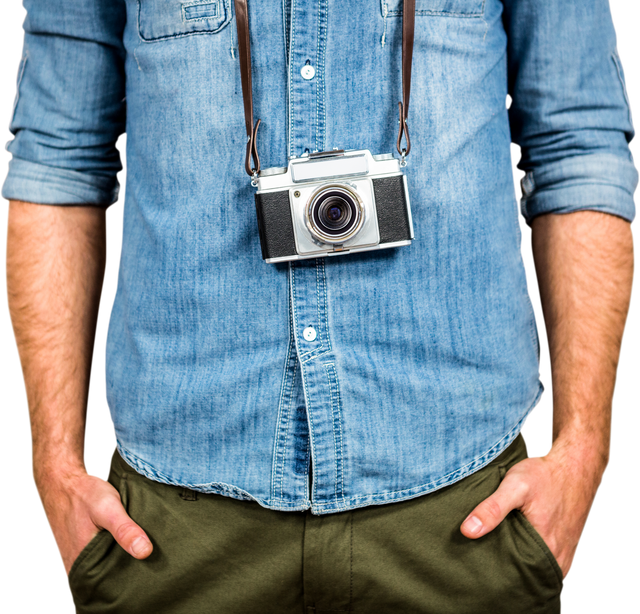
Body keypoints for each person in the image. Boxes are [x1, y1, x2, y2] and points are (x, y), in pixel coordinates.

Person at [2, 0, 637, 612]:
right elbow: (56, 164)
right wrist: (54, 462)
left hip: (469, 502)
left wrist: (582, 449)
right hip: (168, 520)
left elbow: (579, 150)